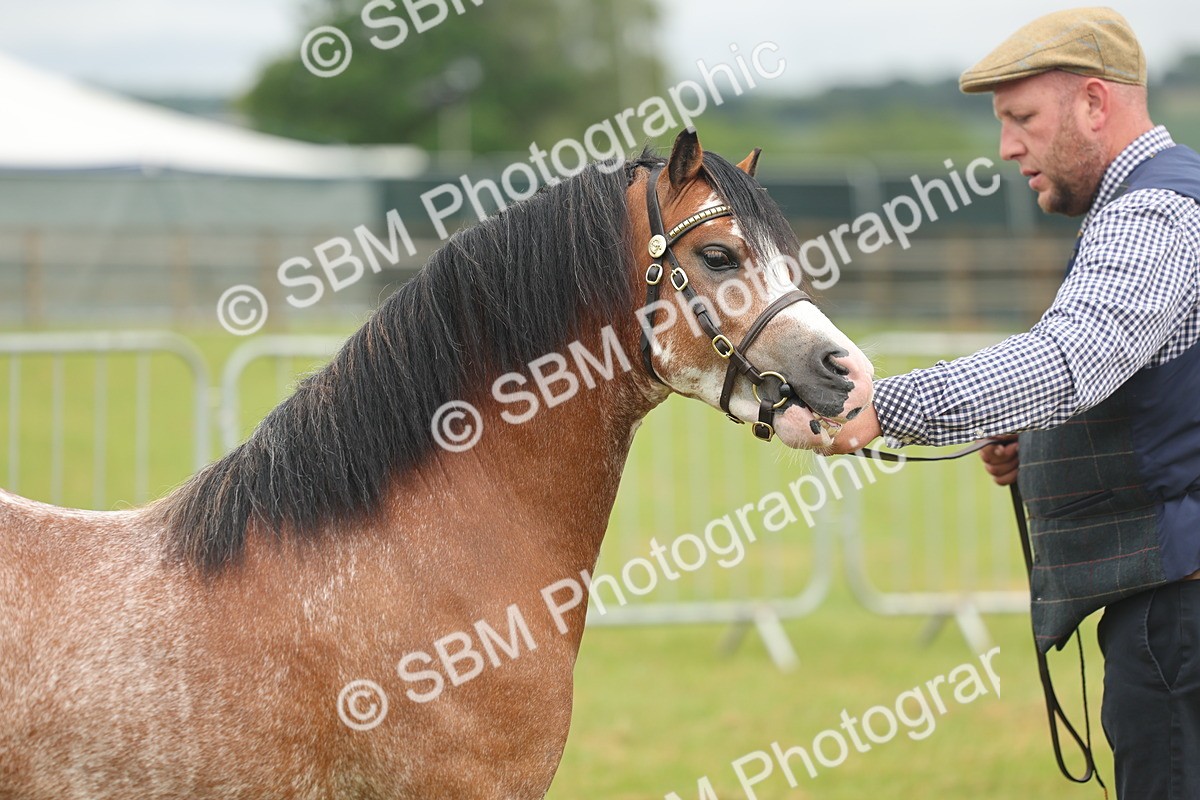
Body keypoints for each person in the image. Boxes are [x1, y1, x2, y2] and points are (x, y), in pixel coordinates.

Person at [828, 7, 1200, 796]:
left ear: (1095, 103)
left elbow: (1070, 359)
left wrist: (883, 406)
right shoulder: (1166, 201)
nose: (1006, 148)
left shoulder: (1151, 213)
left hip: (1182, 615)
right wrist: (1043, 448)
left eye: (1022, 119)